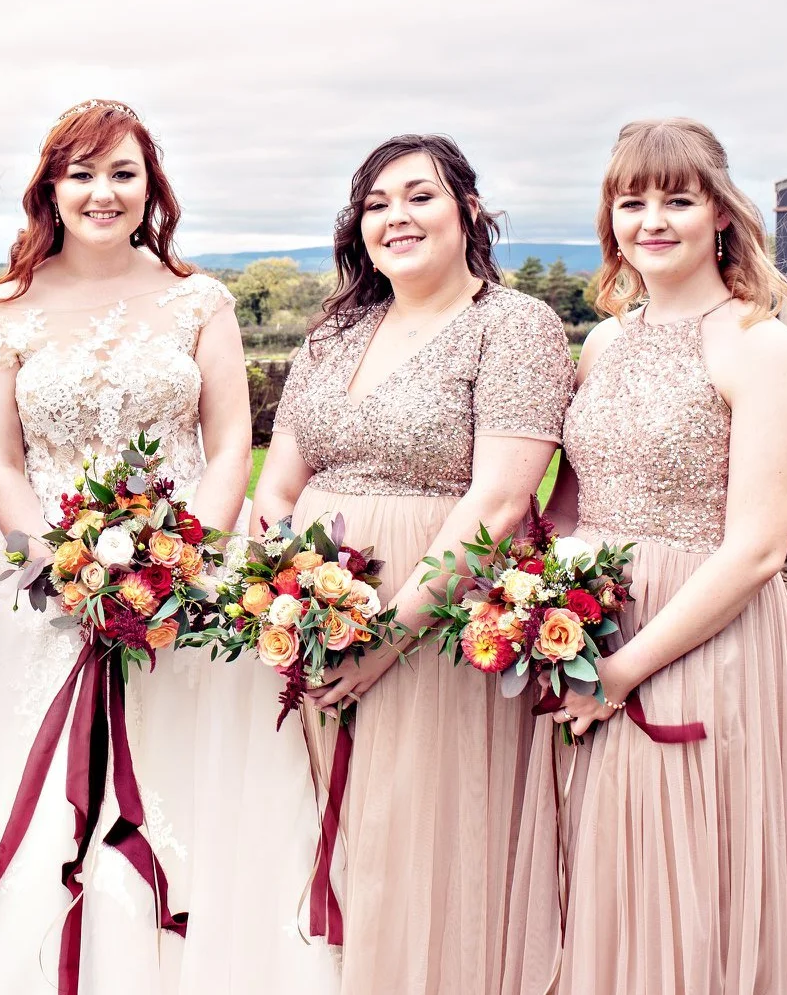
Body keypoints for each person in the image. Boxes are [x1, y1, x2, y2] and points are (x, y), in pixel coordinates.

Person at [0, 101, 337, 995]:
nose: (102, 192)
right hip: (44, 584)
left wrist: (184, 559)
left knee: (194, 774)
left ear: (150, 186)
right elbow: (0, 456)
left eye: (123, 172)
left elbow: (233, 440)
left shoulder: (199, 298)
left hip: (189, 580)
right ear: (50, 187)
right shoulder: (5, 308)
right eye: (81, 173)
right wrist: (53, 564)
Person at [501, 117, 787, 994]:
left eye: (677, 199)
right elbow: (572, 497)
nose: (652, 219)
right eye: (631, 200)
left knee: (676, 861)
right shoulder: (606, 340)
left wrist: (624, 669)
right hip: (590, 620)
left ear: (720, 214)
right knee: (595, 863)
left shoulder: (760, 346)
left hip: (694, 635)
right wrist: (537, 606)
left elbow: (759, 548)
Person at [251, 133, 574, 995]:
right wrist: (291, 599)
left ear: (468, 208)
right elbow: (279, 484)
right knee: (329, 827)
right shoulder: (334, 332)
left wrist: (387, 635)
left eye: (419, 195)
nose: (396, 216)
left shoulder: (514, 326)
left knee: (425, 833)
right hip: (319, 620)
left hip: (442, 625)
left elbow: (502, 502)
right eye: (377, 202)